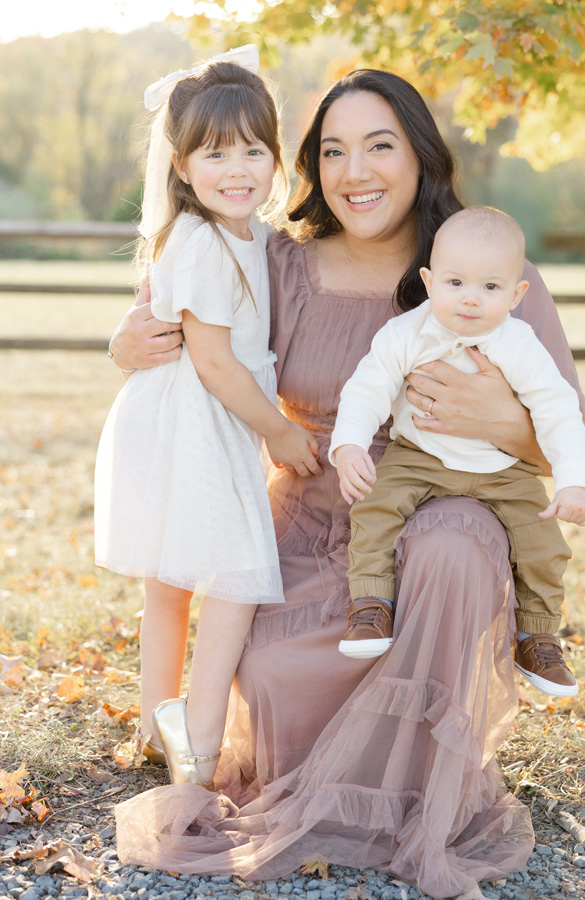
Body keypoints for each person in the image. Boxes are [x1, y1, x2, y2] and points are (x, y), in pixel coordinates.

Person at [108, 68, 585, 899]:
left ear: (420, 154)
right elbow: (186, 317)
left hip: (437, 515)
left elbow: (562, 436)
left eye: (379, 146)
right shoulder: (279, 260)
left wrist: (494, 420)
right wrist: (125, 343)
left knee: (452, 548)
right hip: (311, 518)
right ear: (311, 167)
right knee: (269, 678)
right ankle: (324, 777)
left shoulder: (484, 271)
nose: (355, 171)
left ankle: (421, 795)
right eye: (333, 151)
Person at [94, 48, 320, 789]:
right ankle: (194, 737)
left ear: (276, 157)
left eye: (254, 150)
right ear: (183, 167)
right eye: (216, 154)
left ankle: (157, 727)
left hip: (205, 419)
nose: (238, 169)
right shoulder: (197, 240)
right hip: (189, 420)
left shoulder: (257, 237)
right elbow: (216, 363)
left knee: (180, 578)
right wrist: (281, 431)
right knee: (227, 575)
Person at [331, 205, 585, 697]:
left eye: (490, 287)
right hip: (419, 456)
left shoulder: (520, 344)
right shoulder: (405, 334)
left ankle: (537, 635)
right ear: (429, 283)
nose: (470, 298)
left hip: (503, 469)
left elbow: (558, 410)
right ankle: (371, 606)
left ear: (516, 295)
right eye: (455, 283)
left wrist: (575, 481)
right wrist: (349, 445)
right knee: (374, 508)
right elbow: (367, 390)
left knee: (543, 543)